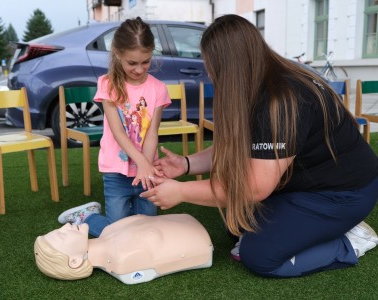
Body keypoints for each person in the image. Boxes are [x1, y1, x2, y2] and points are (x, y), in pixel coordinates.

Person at [141, 14, 378, 278]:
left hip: (343, 193)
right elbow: (239, 146)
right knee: (236, 225)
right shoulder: (261, 80)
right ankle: (319, 226)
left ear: (228, 64)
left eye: (210, 63)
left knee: (259, 256)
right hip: (305, 182)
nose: (208, 71)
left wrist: (182, 192)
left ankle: (350, 242)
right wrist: (186, 164)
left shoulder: (281, 102)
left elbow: (255, 187)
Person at [57, 17, 171, 237]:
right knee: (116, 233)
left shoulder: (158, 89)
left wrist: (145, 167)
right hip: (116, 171)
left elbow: (152, 132)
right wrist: (140, 163)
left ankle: (121, 218)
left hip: (146, 169)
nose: (139, 69)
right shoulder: (107, 84)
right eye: (132, 63)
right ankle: (87, 216)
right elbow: (118, 131)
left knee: (145, 230)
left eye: (145, 61)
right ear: (117, 53)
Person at [34, 214, 213, 284]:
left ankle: (89, 215)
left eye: (61, 229)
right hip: (199, 240)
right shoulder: (123, 259)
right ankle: (89, 215)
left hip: (186, 224)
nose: (66, 227)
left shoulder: (108, 233)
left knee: (105, 226)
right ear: (75, 261)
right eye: (63, 235)